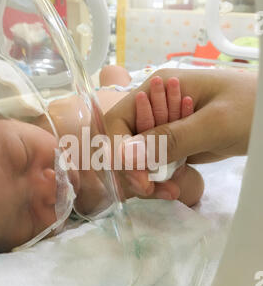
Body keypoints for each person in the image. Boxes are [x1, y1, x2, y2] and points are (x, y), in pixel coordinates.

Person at [0, 72, 201, 260]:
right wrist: (173, 172)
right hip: (161, 125)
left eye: (23, 157)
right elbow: (196, 188)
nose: (48, 185)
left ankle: (116, 78)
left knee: (113, 75)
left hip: (123, 91)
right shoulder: (99, 200)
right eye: (26, 213)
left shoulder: (42, 118)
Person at [104, 66, 257, 198]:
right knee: (114, 72)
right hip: (148, 115)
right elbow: (195, 188)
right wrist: (172, 170)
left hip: (126, 92)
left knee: (110, 71)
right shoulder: (105, 185)